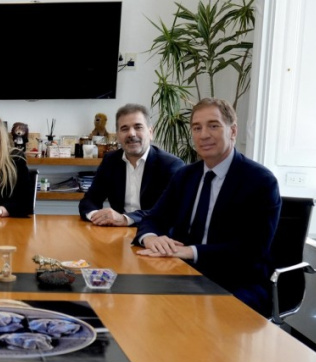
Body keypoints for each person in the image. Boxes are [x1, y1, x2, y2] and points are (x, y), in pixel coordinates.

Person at [134, 98, 281, 315]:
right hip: (182, 272)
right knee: (133, 302)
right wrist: (151, 238)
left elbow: (251, 250)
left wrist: (191, 251)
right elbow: (153, 218)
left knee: (201, 317)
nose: (203, 135)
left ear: (232, 131)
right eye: (197, 128)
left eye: (213, 126)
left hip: (238, 281)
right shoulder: (185, 176)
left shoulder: (260, 181)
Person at [79, 104, 184, 226]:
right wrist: (95, 215)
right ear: (118, 136)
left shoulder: (170, 165)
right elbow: (90, 200)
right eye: (124, 129)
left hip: (155, 232)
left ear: (150, 132)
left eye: (138, 127)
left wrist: (125, 219)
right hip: (117, 232)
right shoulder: (111, 160)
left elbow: (168, 210)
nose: (131, 134)